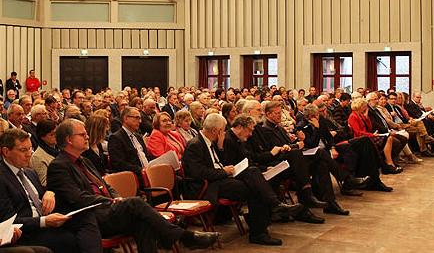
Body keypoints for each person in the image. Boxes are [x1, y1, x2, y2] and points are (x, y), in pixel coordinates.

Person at [46, 119, 220, 253]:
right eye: (82, 135)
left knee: (142, 223)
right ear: (69, 139)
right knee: (135, 203)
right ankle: (184, 237)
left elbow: (104, 184)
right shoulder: (59, 165)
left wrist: (115, 197)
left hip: (106, 209)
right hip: (90, 217)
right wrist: (111, 202)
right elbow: (77, 199)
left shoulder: (83, 160)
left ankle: (179, 237)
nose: (87, 137)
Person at [182, 113, 302, 246]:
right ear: (215, 130)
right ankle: (261, 229)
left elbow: (218, 162)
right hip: (209, 185)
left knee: (252, 173)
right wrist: (224, 171)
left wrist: (221, 150)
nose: (224, 132)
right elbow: (198, 173)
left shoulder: (211, 141)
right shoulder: (195, 144)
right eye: (223, 129)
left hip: (220, 179)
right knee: (255, 189)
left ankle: (273, 210)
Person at [0, 129, 100, 253]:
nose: (29, 154)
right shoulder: (2, 178)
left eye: (30, 149)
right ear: (6, 152)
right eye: (23, 150)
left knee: (86, 218)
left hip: (46, 221)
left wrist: (50, 192)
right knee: (69, 239)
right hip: (25, 232)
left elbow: (42, 197)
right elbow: (9, 220)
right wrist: (44, 222)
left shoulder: (29, 173)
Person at [108, 107, 152, 184]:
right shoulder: (116, 138)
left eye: (140, 118)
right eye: (137, 118)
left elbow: (146, 156)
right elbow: (119, 164)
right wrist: (141, 170)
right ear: (125, 119)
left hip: (148, 172)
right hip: (133, 177)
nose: (140, 121)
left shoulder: (138, 136)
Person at [30, 120, 59, 186]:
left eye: (56, 133)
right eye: (52, 134)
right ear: (42, 137)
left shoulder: (59, 148)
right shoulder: (37, 157)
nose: (56, 136)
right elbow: (44, 183)